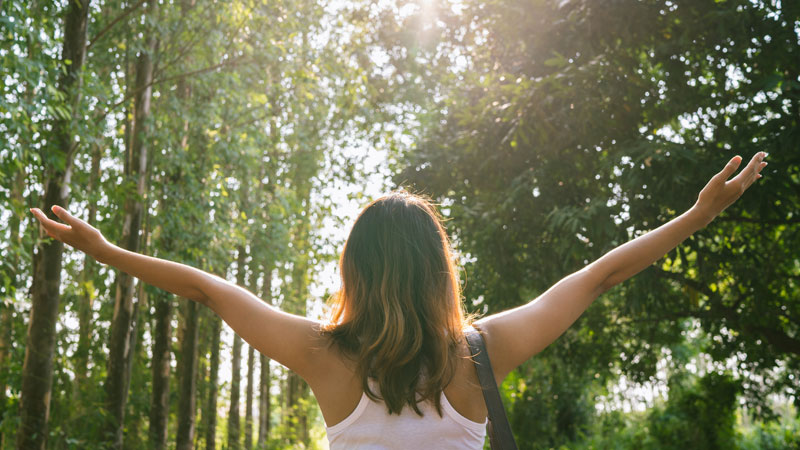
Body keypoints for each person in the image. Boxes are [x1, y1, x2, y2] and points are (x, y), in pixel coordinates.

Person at [31, 152, 768, 449]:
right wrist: (696, 217)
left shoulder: (324, 357)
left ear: (355, 270)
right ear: (438, 272)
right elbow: (598, 276)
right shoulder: (481, 354)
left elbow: (205, 288)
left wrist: (106, 252)